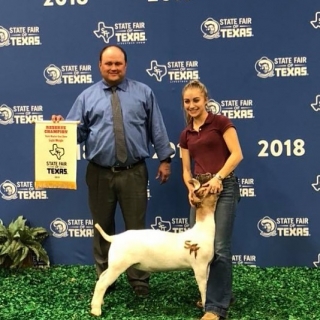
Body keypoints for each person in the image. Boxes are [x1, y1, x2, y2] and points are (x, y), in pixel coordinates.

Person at [52, 44, 174, 297]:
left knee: (136, 229)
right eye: (108, 63)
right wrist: (59, 128)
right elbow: (75, 133)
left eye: (118, 63)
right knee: (101, 227)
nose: (113, 67)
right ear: (100, 66)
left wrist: (165, 159)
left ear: (125, 65)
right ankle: (105, 277)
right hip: (99, 173)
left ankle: (139, 278)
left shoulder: (144, 93)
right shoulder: (86, 97)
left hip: (134, 172)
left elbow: (157, 128)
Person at [179, 80, 243, 320]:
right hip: (201, 192)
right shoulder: (185, 134)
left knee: (219, 248)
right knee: (200, 246)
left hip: (223, 187)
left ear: (205, 100)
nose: (192, 105)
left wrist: (218, 177)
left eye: (196, 100)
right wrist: (189, 187)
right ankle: (217, 293)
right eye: (187, 101)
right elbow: (186, 169)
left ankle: (216, 307)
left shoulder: (221, 123)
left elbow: (237, 154)